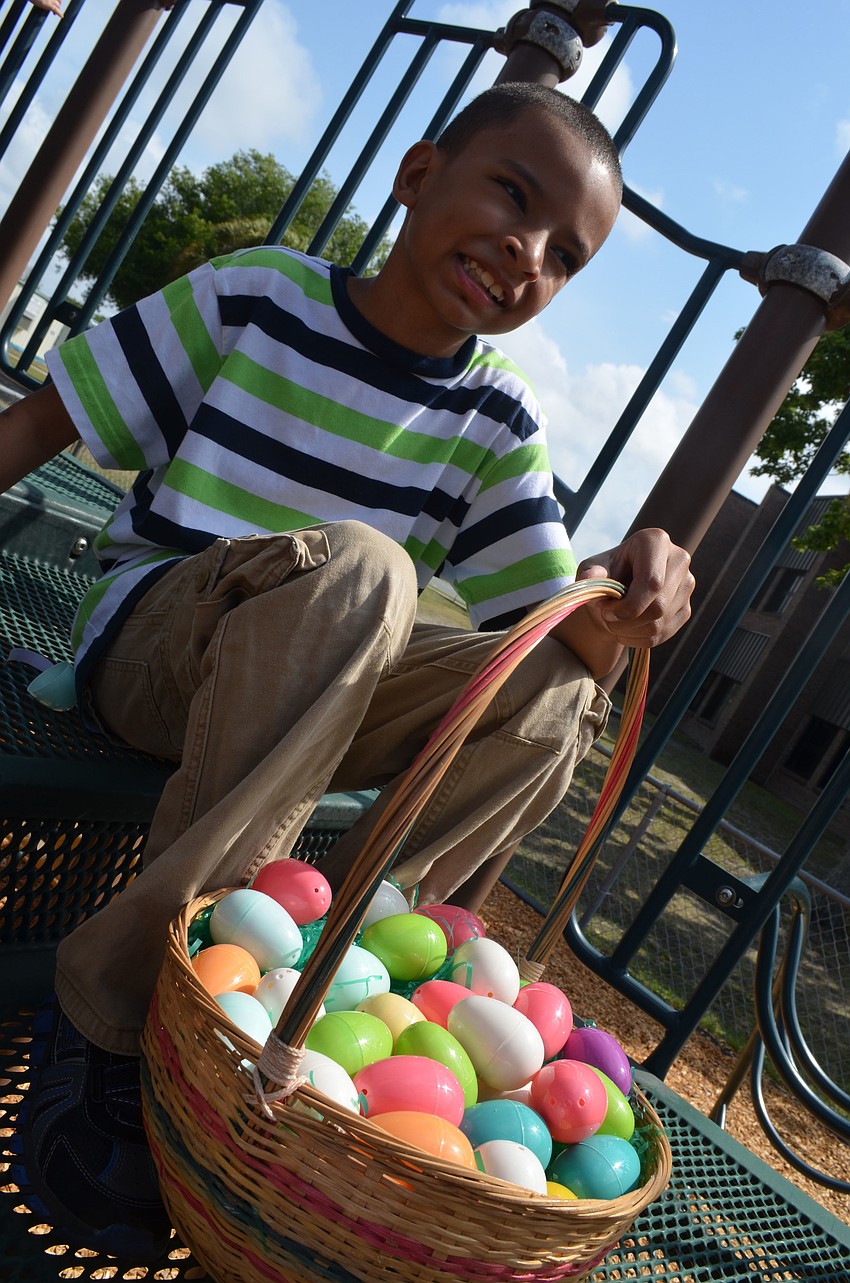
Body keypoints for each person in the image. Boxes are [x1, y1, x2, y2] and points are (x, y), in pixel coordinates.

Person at [1, 82, 693, 1260]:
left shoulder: (491, 418)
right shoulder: (256, 297)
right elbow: (31, 430)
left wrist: (635, 590)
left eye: (565, 256)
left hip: (319, 685)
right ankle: (120, 1014)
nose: (527, 253)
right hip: (165, 644)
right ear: (418, 175)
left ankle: (342, 976)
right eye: (511, 198)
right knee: (368, 570)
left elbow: (558, 639)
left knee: (554, 691)